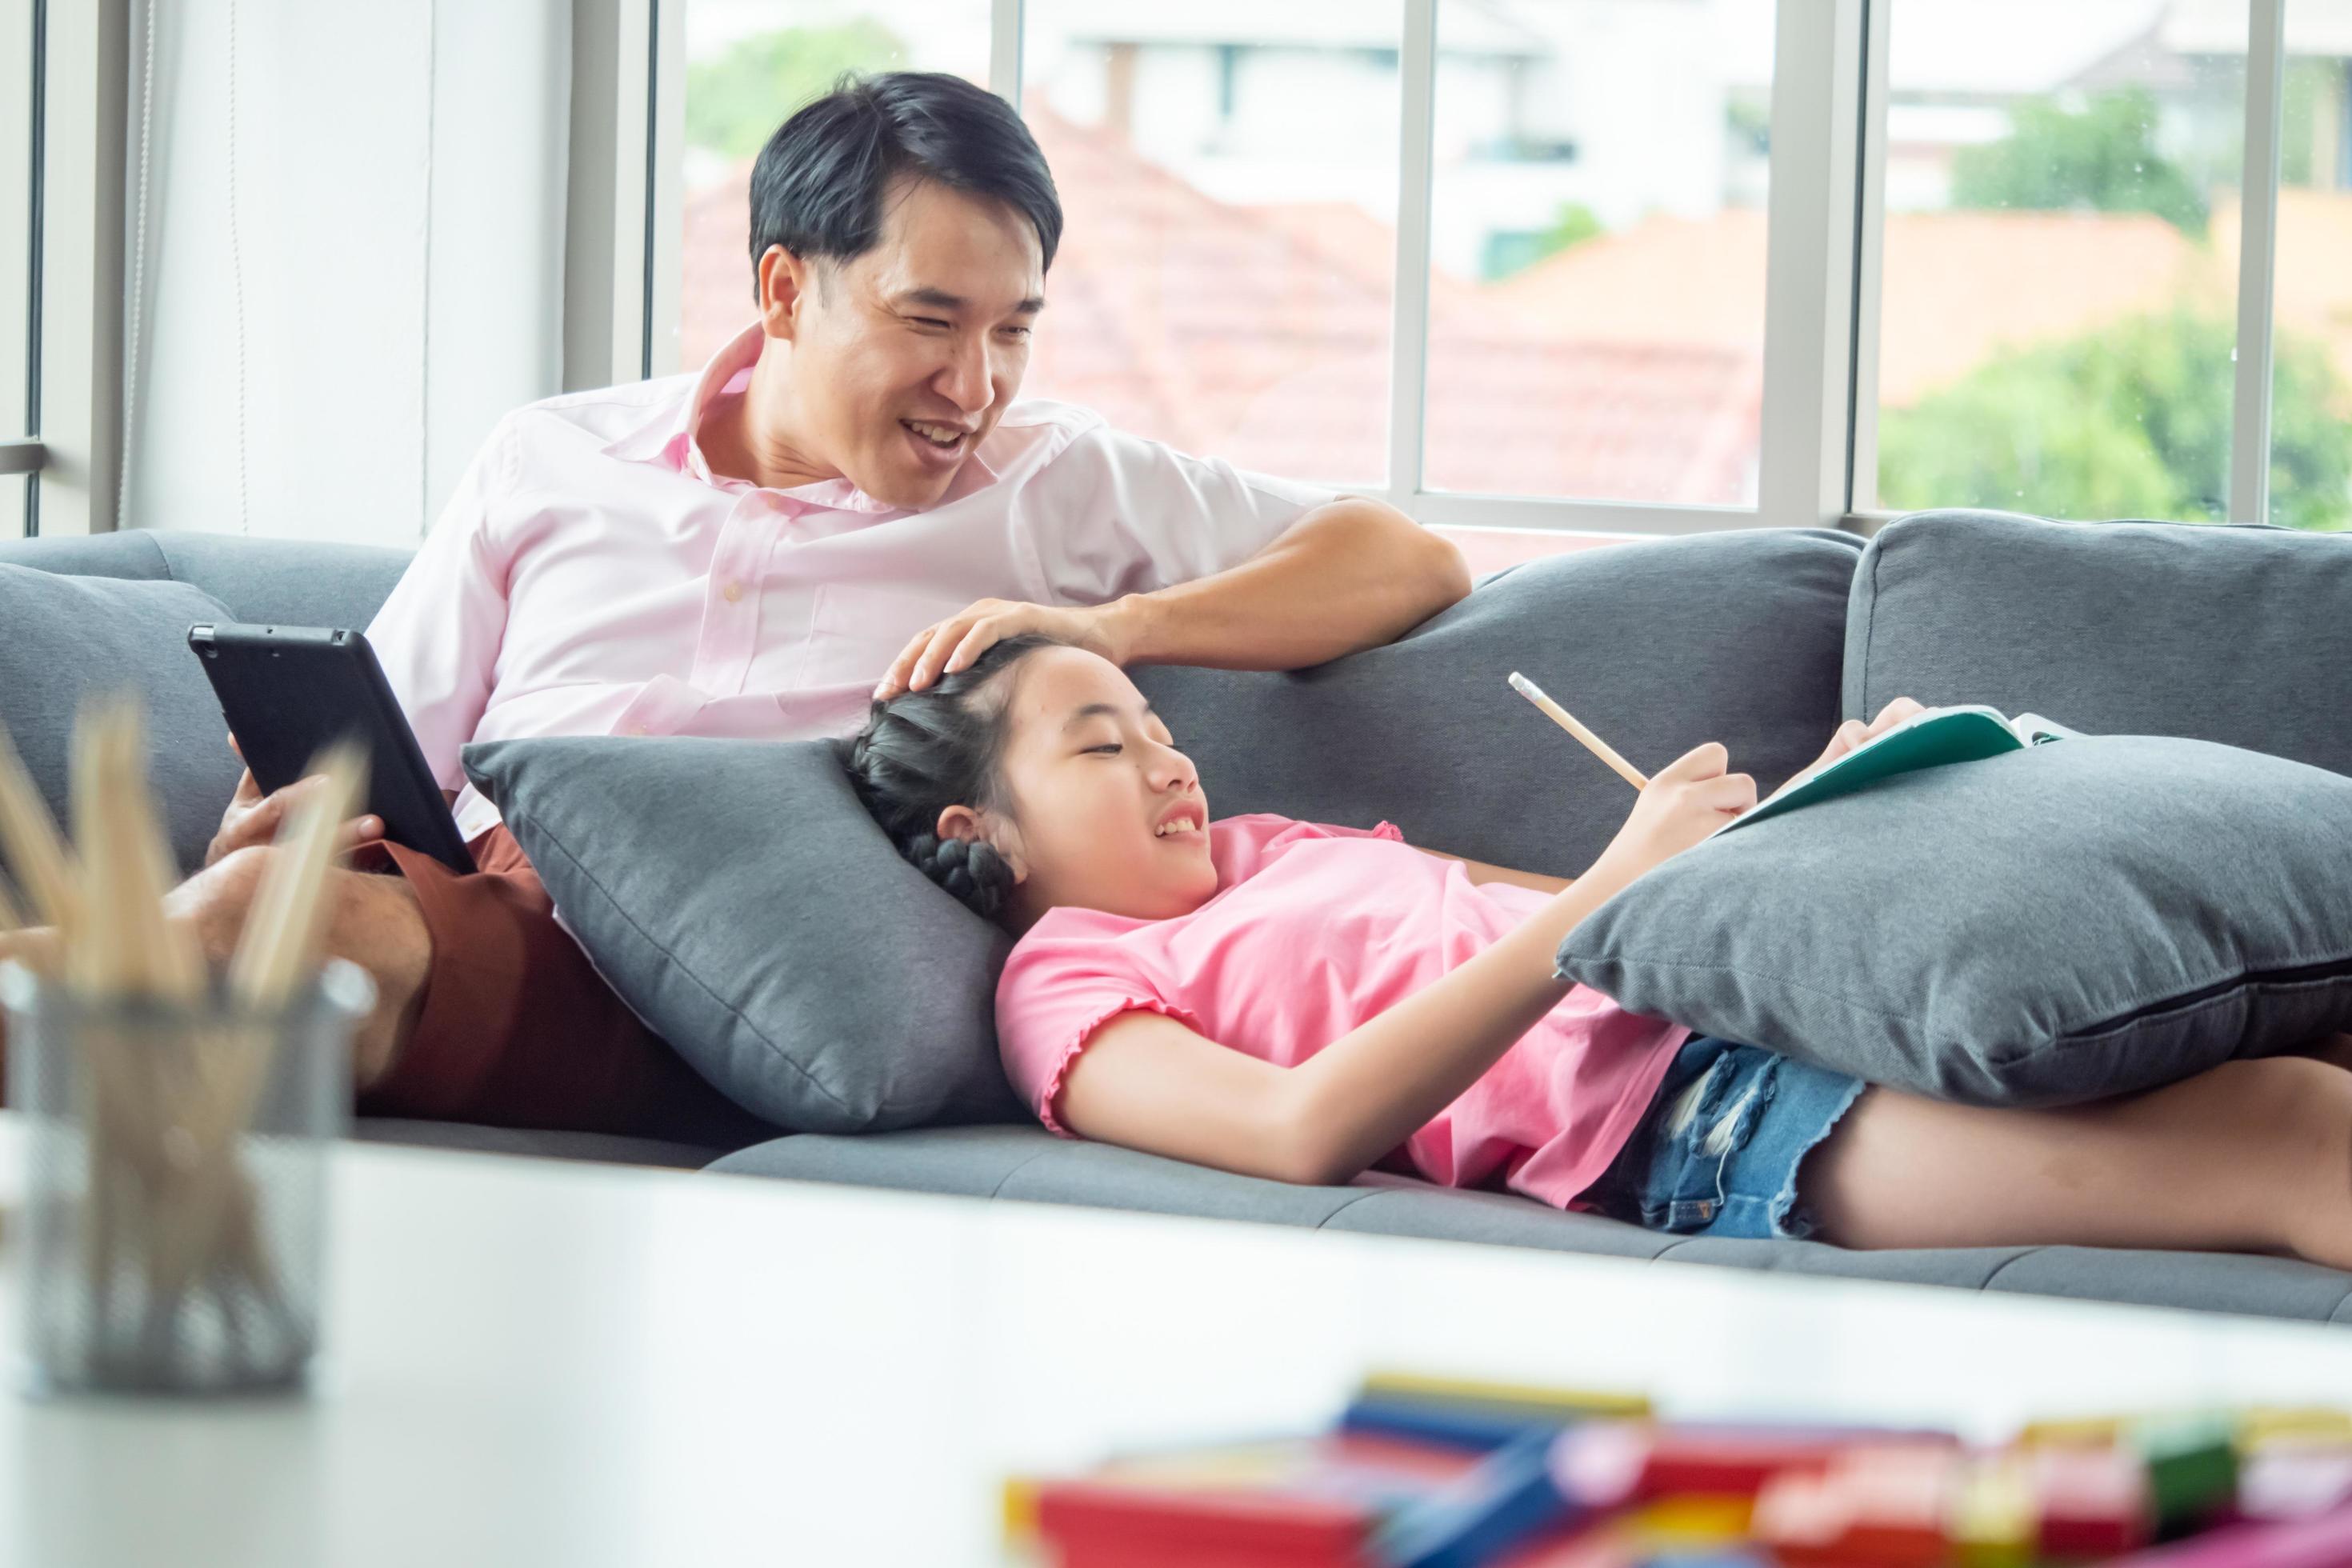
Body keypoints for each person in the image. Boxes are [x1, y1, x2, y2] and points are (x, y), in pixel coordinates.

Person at [0, 74, 1466, 1139]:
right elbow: (381, 741)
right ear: (781, 290)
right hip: (495, 912)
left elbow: (1406, 561)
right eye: (929, 323)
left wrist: (1110, 628)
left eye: (1014, 330)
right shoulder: (554, 454)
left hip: (743, 971)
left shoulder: (1051, 484)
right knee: (258, 908)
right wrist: (291, 810)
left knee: (269, 927)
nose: (978, 388)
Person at [842, 634, 2352, 1267]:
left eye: (1165, 729)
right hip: (1707, 1118)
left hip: (1754, 993)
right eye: (1109, 744)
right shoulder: (1073, 981)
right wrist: (1614, 888)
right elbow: (1296, 1133)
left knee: (2303, 1045)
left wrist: (1818, 833)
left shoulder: (1272, 849)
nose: (1175, 764)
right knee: (2289, 1132)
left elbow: (1606, 908)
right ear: (986, 834)